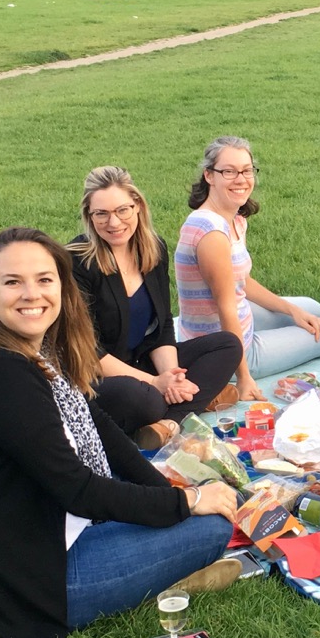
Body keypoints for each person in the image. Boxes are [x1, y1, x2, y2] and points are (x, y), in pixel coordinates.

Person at [0, 228, 241, 638]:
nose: (32, 294)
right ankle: (171, 572)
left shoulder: (31, 351)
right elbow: (79, 490)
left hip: (27, 533)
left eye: (44, 279)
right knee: (212, 527)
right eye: (13, 282)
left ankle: (163, 552)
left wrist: (164, 490)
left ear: (62, 287)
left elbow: (97, 423)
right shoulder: (0, 376)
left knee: (155, 493)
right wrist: (189, 503)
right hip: (19, 586)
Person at [70, 166, 242, 447]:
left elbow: (162, 327)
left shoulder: (153, 248)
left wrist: (171, 377)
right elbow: (87, 351)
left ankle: (168, 423)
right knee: (143, 399)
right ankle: (196, 401)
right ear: (89, 216)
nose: (113, 223)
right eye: (101, 213)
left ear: (138, 206)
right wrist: (155, 384)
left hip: (143, 361)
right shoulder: (78, 261)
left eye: (122, 210)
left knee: (227, 345)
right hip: (97, 375)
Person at [175, 137, 320, 401]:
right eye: (229, 171)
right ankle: (241, 366)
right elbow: (225, 307)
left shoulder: (235, 220)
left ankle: (295, 312)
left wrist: (292, 310)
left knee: (312, 308)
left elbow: (242, 282)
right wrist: (243, 376)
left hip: (237, 320)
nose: (241, 179)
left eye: (247, 170)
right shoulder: (211, 233)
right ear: (209, 176)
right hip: (220, 347)